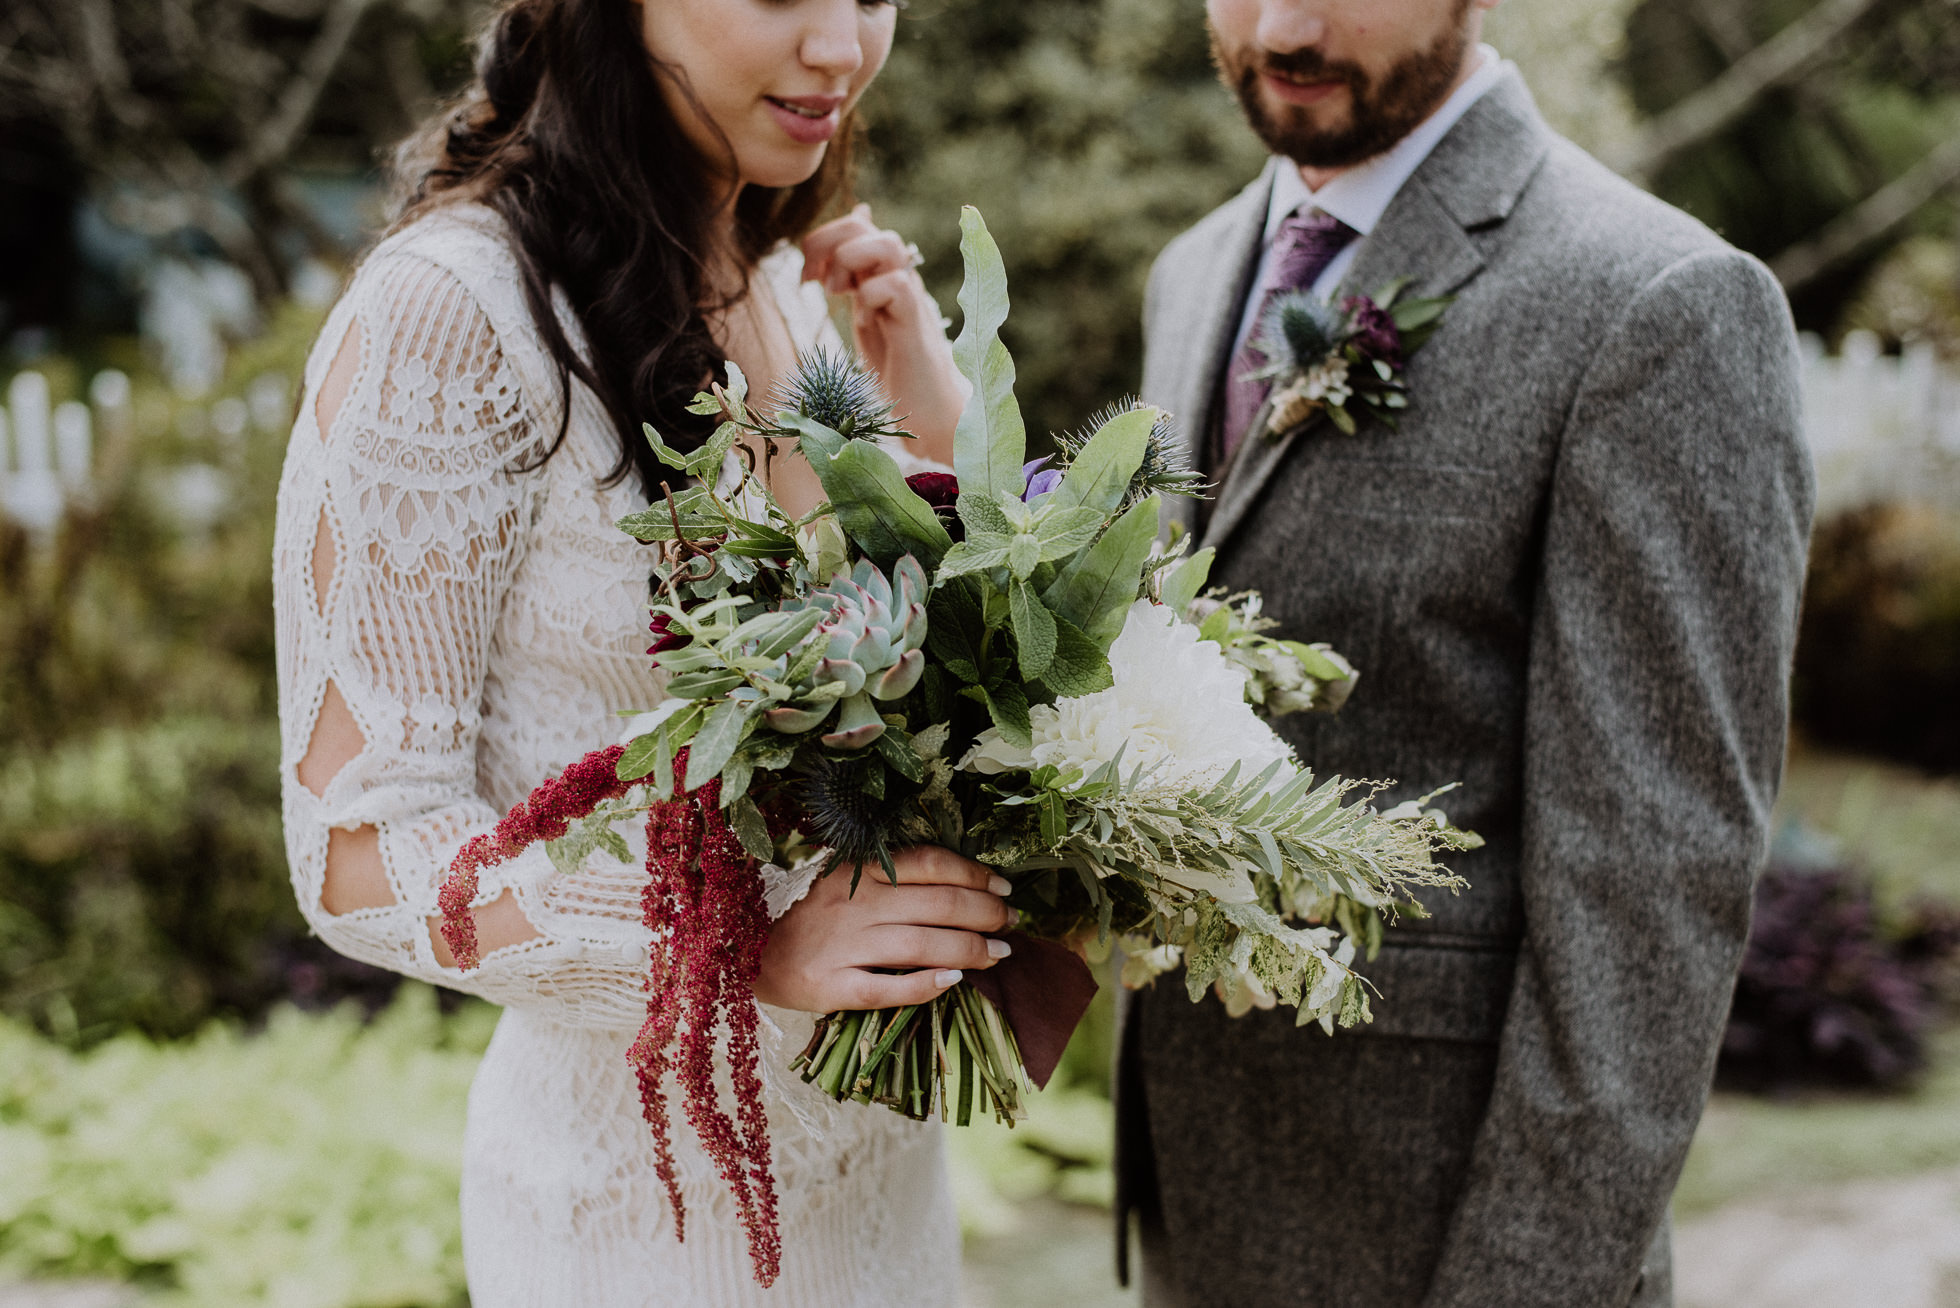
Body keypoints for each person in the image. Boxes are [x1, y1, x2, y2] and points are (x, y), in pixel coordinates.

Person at [271, 1, 1012, 1303]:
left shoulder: (775, 280)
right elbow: (355, 849)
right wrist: (744, 951)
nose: (843, 49)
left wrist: (937, 448)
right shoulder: (455, 311)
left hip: (884, 1185)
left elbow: (884, 708)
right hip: (641, 1212)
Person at [1121, 1, 1814, 1304]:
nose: (1287, 22)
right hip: (1203, 1224)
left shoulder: (1658, 301)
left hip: (1448, 1240)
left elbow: (1651, 898)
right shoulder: (1196, 269)